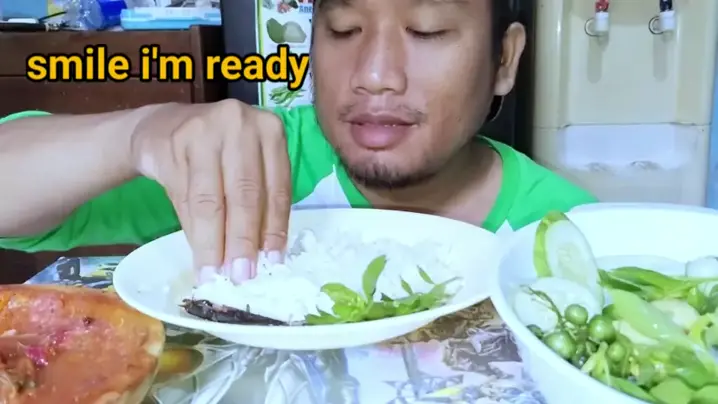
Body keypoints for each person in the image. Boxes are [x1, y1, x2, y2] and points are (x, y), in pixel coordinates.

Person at [0, 0, 595, 285]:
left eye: (427, 30)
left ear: (504, 59)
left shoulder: (569, 234)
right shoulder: (248, 168)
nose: (375, 74)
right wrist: (138, 133)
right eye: (344, 29)